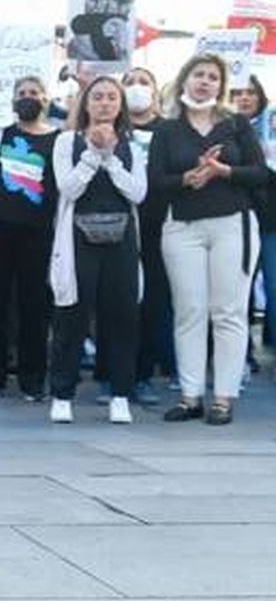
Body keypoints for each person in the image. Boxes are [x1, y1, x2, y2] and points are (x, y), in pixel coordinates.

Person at [149, 54, 267, 425]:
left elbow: (260, 173)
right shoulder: (167, 129)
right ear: (184, 80)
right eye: (198, 75)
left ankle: (224, 398)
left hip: (232, 223)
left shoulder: (235, 124)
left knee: (228, 311)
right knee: (190, 311)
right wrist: (188, 178)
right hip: (182, 227)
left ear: (221, 85)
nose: (205, 82)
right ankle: (190, 395)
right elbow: (154, 181)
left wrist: (223, 171)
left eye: (213, 77)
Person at [47, 76, 147, 425]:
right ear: (86, 103)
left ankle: (120, 394)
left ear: (120, 105)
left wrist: (111, 158)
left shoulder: (131, 148)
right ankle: (62, 393)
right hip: (77, 240)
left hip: (121, 239)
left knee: (121, 317)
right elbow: (68, 188)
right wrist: (93, 154)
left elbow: (138, 193)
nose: (105, 103)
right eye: (98, 97)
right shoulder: (65, 142)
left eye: (111, 97)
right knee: (71, 316)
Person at [0, 77, 58, 401]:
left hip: (39, 233)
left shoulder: (58, 138)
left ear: (46, 99)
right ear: (12, 101)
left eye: (34, 93)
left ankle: (33, 379)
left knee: (34, 309)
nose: (28, 98)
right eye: (21, 94)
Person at [123, 67, 172, 405]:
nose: (137, 88)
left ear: (155, 90)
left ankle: (142, 376)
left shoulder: (169, 131)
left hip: (159, 225)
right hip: (119, 225)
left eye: (144, 82)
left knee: (154, 302)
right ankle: (113, 375)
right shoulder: (114, 129)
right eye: (130, 82)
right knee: (118, 302)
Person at [235, 75, 276, 350]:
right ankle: (243, 352)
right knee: (239, 292)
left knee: (273, 287)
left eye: (250, 92)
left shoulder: (271, 126)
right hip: (235, 218)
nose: (244, 98)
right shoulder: (220, 128)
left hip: (270, 218)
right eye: (237, 93)